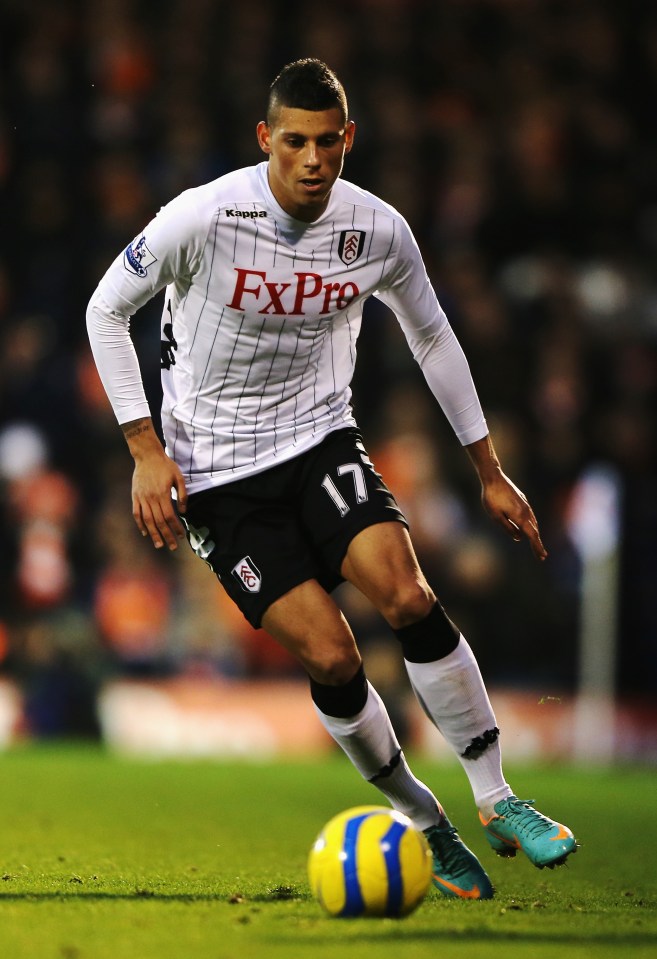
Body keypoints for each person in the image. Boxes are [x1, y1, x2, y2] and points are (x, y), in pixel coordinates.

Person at [87, 58, 576, 899]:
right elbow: (106, 307)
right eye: (294, 143)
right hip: (216, 475)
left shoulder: (377, 229)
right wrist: (142, 448)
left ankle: (497, 796)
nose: (312, 160)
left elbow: (432, 337)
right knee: (331, 650)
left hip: (319, 439)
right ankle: (424, 817)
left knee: (408, 594)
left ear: (348, 140)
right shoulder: (202, 216)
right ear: (264, 140)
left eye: (327, 143)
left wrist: (488, 471)